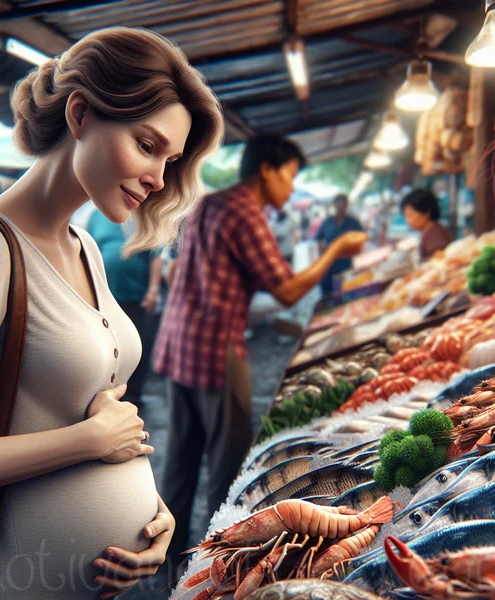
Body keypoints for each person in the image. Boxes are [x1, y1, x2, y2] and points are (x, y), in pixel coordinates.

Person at [0, 27, 223, 599]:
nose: (160, 179)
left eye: (170, 160)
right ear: (80, 114)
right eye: (148, 146)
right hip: (16, 580)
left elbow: (95, 416)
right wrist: (87, 444)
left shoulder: (85, 246)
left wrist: (153, 511)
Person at [153, 134, 367, 577]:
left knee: (178, 465)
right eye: (290, 175)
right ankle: (219, 566)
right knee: (229, 472)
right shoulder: (245, 213)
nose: (291, 187)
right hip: (215, 353)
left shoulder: (209, 205)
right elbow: (287, 291)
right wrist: (335, 251)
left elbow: (189, 274)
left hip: (178, 348)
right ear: (266, 169)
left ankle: (166, 565)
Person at [87, 209, 163, 407]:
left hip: (135, 296)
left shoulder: (142, 215)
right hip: (104, 296)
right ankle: (108, 395)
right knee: (107, 347)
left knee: (136, 346)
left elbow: (156, 255)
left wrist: (153, 290)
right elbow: (87, 249)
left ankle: (133, 395)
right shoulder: (97, 216)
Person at [315, 193, 364, 296]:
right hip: (329, 262)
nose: (341, 206)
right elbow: (319, 238)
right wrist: (321, 255)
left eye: (343, 204)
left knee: (346, 290)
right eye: (339, 203)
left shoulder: (353, 222)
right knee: (327, 292)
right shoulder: (327, 222)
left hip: (347, 262)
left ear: (346, 205)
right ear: (335, 205)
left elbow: (362, 238)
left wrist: (356, 253)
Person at [400, 188, 453, 260]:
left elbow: (440, 258)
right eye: (406, 216)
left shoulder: (433, 233)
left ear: (426, 213)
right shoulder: (431, 229)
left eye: (410, 216)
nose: (408, 221)